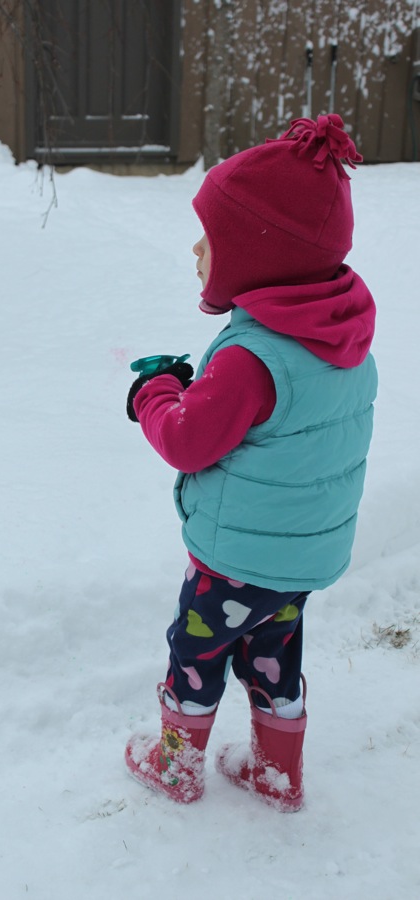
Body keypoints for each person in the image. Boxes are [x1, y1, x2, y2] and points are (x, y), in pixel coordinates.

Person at [124, 114, 378, 811]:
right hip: (297, 561)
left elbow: (186, 439)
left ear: (261, 256)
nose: (197, 250)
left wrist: (155, 392)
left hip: (233, 560)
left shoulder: (249, 359)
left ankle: (177, 767)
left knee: (196, 652)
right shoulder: (344, 339)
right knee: (274, 654)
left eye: (214, 238)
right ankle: (278, 772)